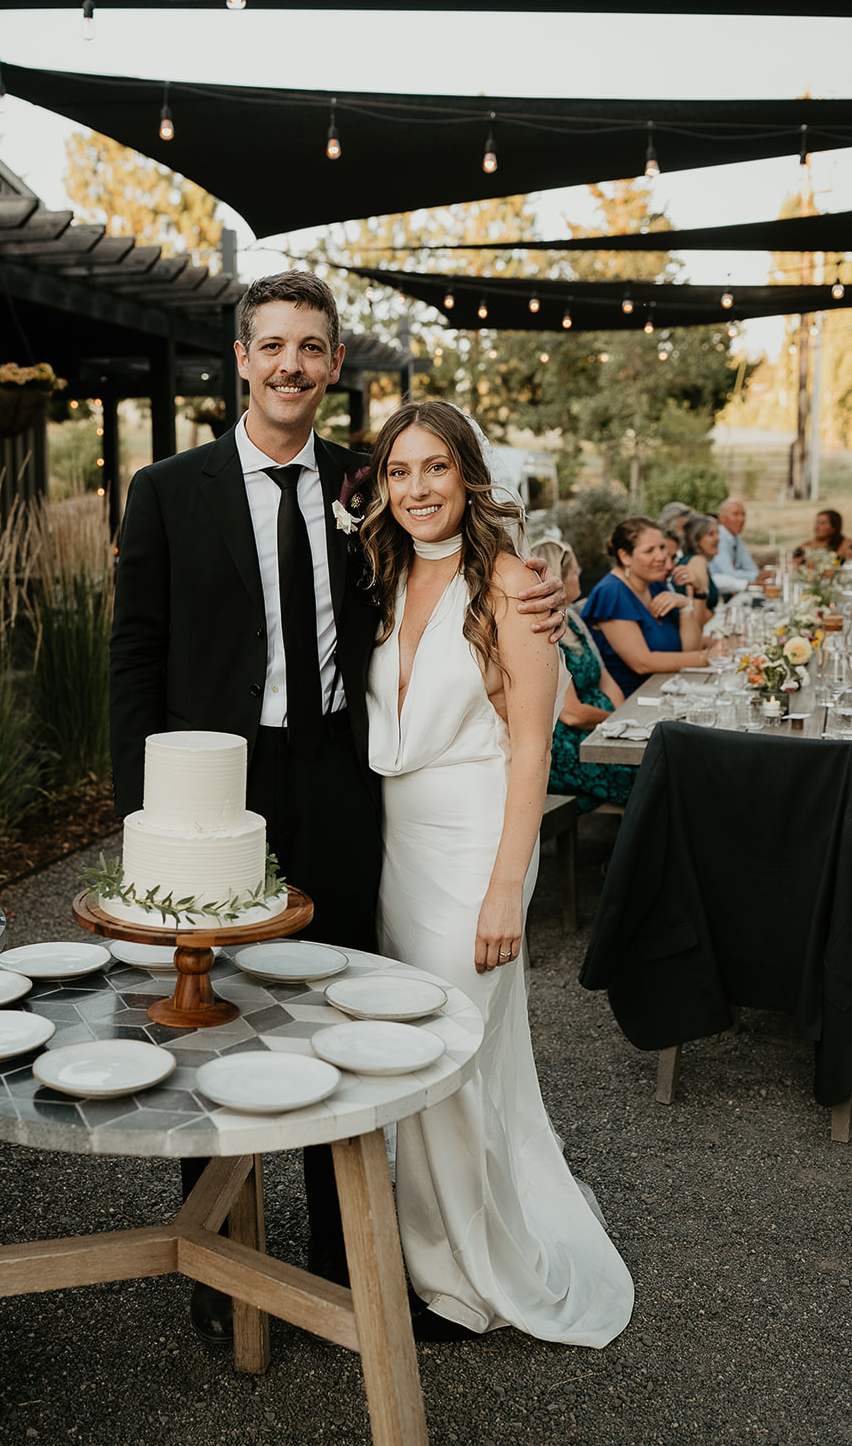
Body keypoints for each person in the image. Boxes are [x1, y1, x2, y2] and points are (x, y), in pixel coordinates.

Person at [108, 272, 567, 1344]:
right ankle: (217, 1267)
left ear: (330, 366)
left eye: (310, 349)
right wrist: (144, 822)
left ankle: (346, 1257)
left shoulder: (364, 485)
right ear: (239, 357)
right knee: (205, 1016)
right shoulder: (167, 490)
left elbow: (464, 558)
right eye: (272, 346)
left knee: (342, 1012)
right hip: (214, 787)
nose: (290, 367)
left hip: (341, 784)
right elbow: (133, 663)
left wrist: (546, 576)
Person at [363, 399, 634, 1346]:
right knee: (413, 1053)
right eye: (399, 472)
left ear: (467, 474)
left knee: (454, 1060)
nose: (417, 489)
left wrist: (503, 887)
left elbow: (529, 751)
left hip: (476, 848)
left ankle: (464, 1284)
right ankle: (422, 1248)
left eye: (434, 468)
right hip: (398, 848)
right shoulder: (384, 576)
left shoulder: (512, 585)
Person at [531, 537, 636, 812]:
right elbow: (572, 713)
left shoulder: (573, 618)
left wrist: (627, 720)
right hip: (569, 746)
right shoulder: (543, 630)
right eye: (575, 571)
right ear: (559, 577)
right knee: (648, 774)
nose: (580, 576)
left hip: (602, 729)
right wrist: (616, 724)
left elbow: (604, 677)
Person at [580, 517, 711, 696]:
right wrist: (707, 657)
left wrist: (685, 606)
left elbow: (690, 649)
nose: (661, 557)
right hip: (634, 701)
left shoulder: (654, 584)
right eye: (649, 550)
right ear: (625, 556)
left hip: (670, 689)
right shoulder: (611, 592)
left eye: (662, 547)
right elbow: (642, 663)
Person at [709, 497, 770, 597]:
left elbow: (750, 568)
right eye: (736, 514)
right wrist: (763, 575)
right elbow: (729, 574)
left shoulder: (736, 538)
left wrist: (760, 575)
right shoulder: (718, 538)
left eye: (743, 514)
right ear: (721, 518)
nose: (742, 519)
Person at [674, 513, 721, 625]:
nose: (718, 538)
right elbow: (698, 612)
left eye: (717, 533)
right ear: (696, 539)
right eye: (711, 534)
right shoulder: (698, 561)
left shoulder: (690, 560)